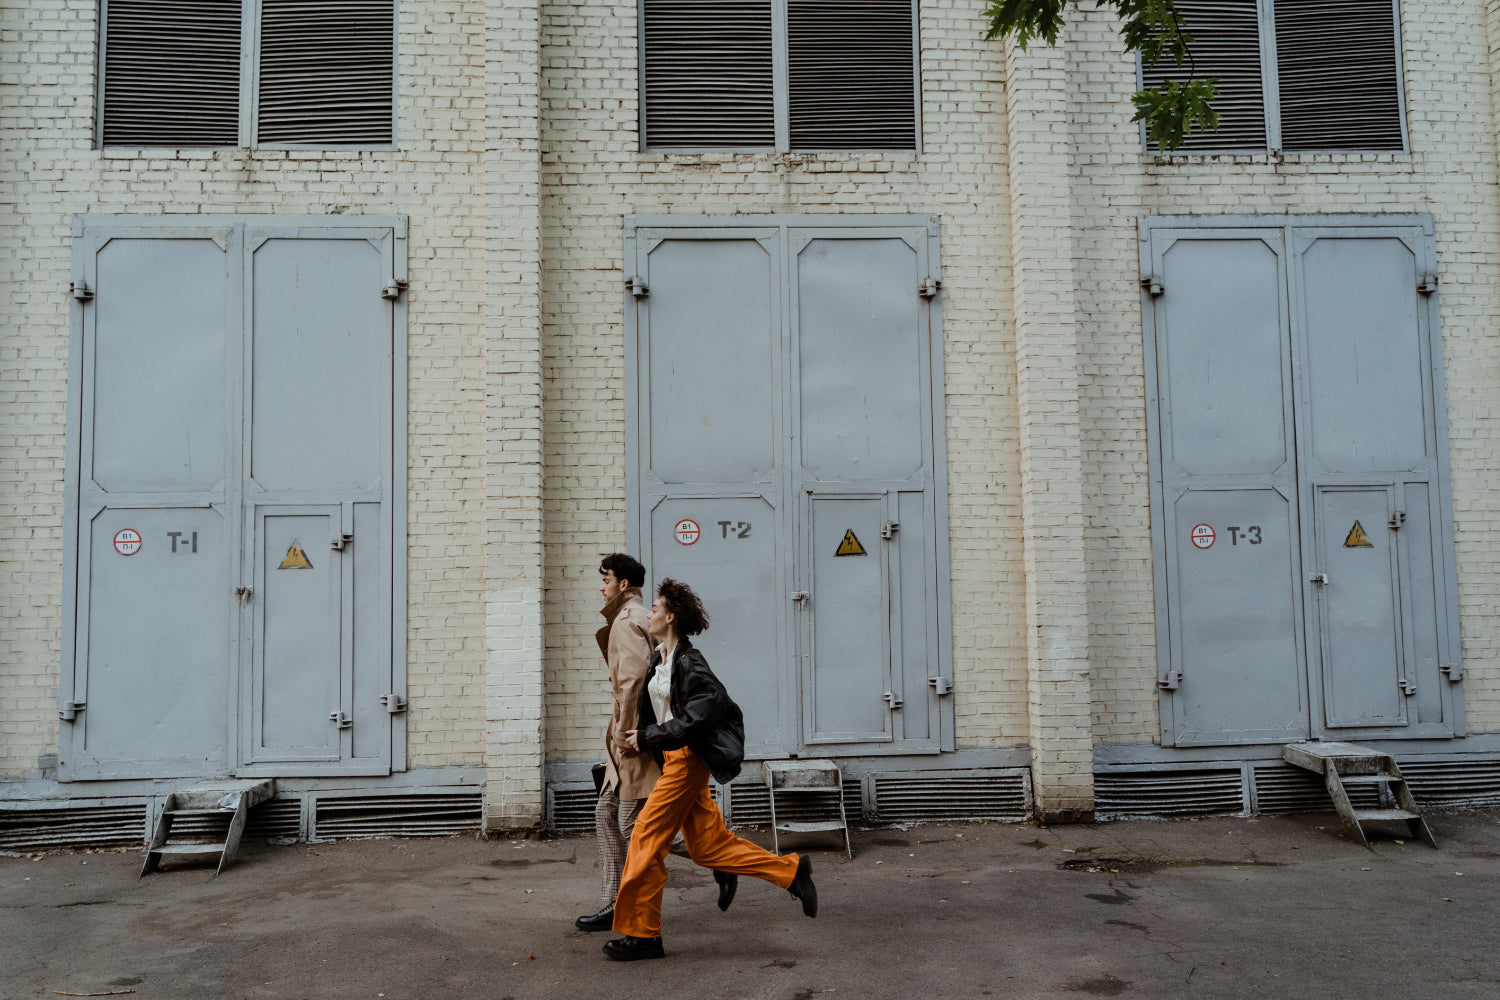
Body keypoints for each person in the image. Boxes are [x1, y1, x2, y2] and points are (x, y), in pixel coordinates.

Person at [604, 578, 817, 961]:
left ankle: (644, 934)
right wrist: (643, 736)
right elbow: (667, 710)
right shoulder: (661, 659)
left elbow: (704, 711)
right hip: (676, 760)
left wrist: (652, 736)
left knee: (644, 840)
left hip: (685, 762)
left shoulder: (690, 661)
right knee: (707, 846)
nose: (649, 613)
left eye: (654, 608)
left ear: (669, 618)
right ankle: (790, 871)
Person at [575, 555, 736, 932]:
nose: (602, 587)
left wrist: (630, 739)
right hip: (637, 736)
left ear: (624, 584)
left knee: (635, 826)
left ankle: (718, 861)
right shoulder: (637, 617)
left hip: (634, 740)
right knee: (607, 815)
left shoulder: (626, 622)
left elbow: (633, 683)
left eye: (607, 580)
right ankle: (616, 902)